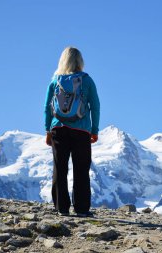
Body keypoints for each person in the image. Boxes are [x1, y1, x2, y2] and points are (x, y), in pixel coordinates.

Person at [44, 46, 100, 217]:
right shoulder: (87, 80)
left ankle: (61, 208)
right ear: (80, 61)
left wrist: (48, 130)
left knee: (60, 168)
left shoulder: (55, 80)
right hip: (81, 130)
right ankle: (82, 208)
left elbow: (47, 107)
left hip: (58, 129)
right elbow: (95, 106)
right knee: (81, 168)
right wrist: (94, 130)